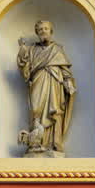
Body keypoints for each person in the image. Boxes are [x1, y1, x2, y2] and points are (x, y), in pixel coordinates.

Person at [16, 20, 76, 157]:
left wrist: (68, 83)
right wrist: (22, 52)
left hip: (54, 84)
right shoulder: (32, 49)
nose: (43, 31)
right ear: (37, 33)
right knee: (36, 110)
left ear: (51, 31)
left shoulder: (57, 49)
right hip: (38, 81)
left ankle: (53, 144)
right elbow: (25, 69)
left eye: (46, 29)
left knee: (54, 111)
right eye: (40, 29)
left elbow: (65, 71)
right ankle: (35, 143)